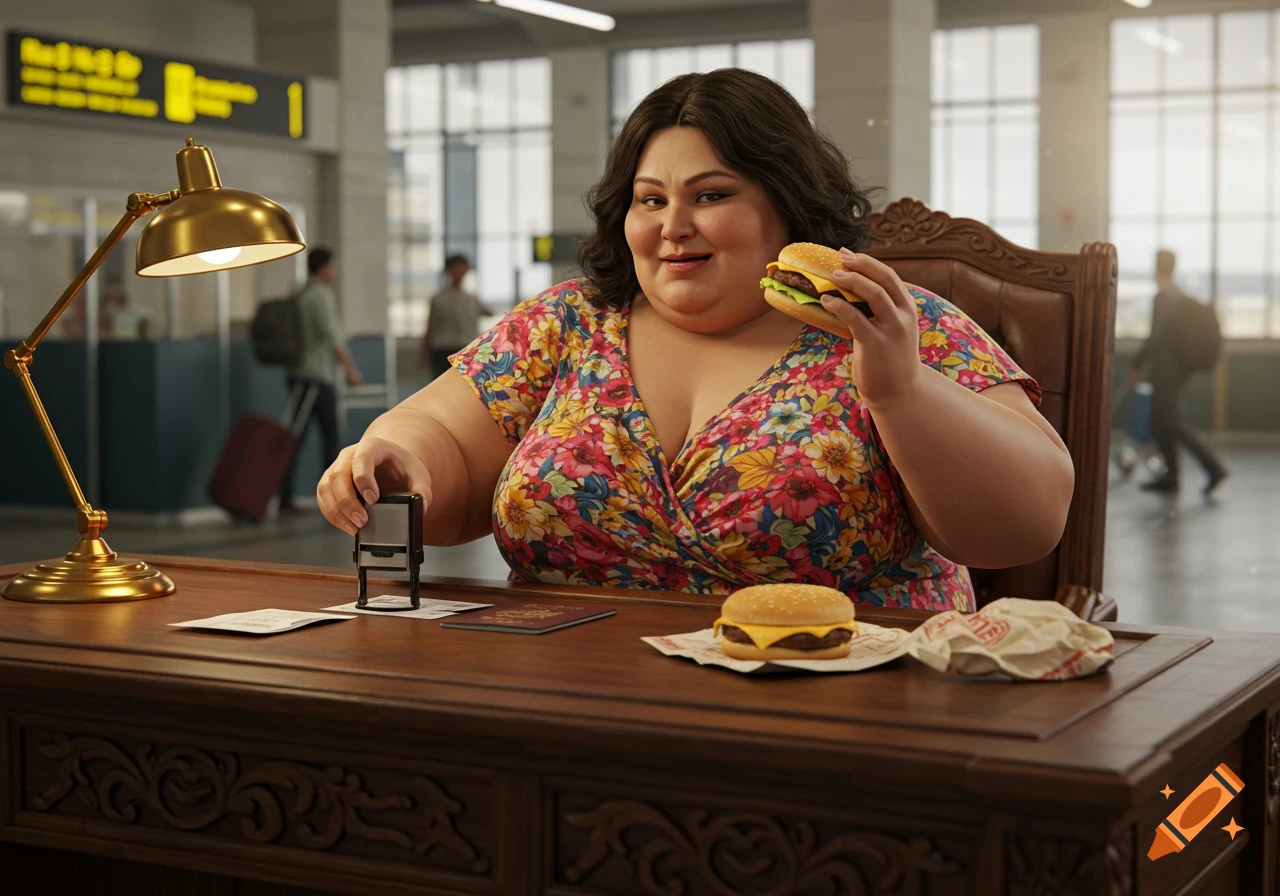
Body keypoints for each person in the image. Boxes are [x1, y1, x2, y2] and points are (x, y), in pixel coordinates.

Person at [318, 69, 1073, 611]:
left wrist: (902, 391)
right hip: (568, 697)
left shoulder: (888, 321)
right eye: (651, 200)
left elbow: (1026, 522)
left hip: (854, 707)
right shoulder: (570, 323)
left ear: (787, 204)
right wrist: (397, 455)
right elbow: (441, 440)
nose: (673, 225)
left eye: (712, 196)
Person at [1128, 249, 1227, 496]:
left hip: (1167, 370)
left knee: (1168, 421)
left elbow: (1156, 336)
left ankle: (1211, 467)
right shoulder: (1178, 296)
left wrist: (1137, 364)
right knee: (1162, 421)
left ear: (1157, 267)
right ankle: (1172, 475)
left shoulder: (1164, 298)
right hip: (1179, 369)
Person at [279, 246, 363, 515]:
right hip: (317, 376)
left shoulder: (299, 292)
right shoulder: (321, 295)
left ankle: (286, 497)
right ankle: (337, 500)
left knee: (295, 439)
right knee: (330, 438)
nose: (334, 272)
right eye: (332, 266)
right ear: (324, 267)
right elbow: (332, 337)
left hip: (297, 374)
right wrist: (351, 369)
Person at [419, 254, 492, 378]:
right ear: (449, 270)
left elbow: (489, 313)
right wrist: (424, 353)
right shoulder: (439, 299)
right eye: (456, 268)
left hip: (466, 350)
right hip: (443, 350)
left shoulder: (471, 299)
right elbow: (430, 327)